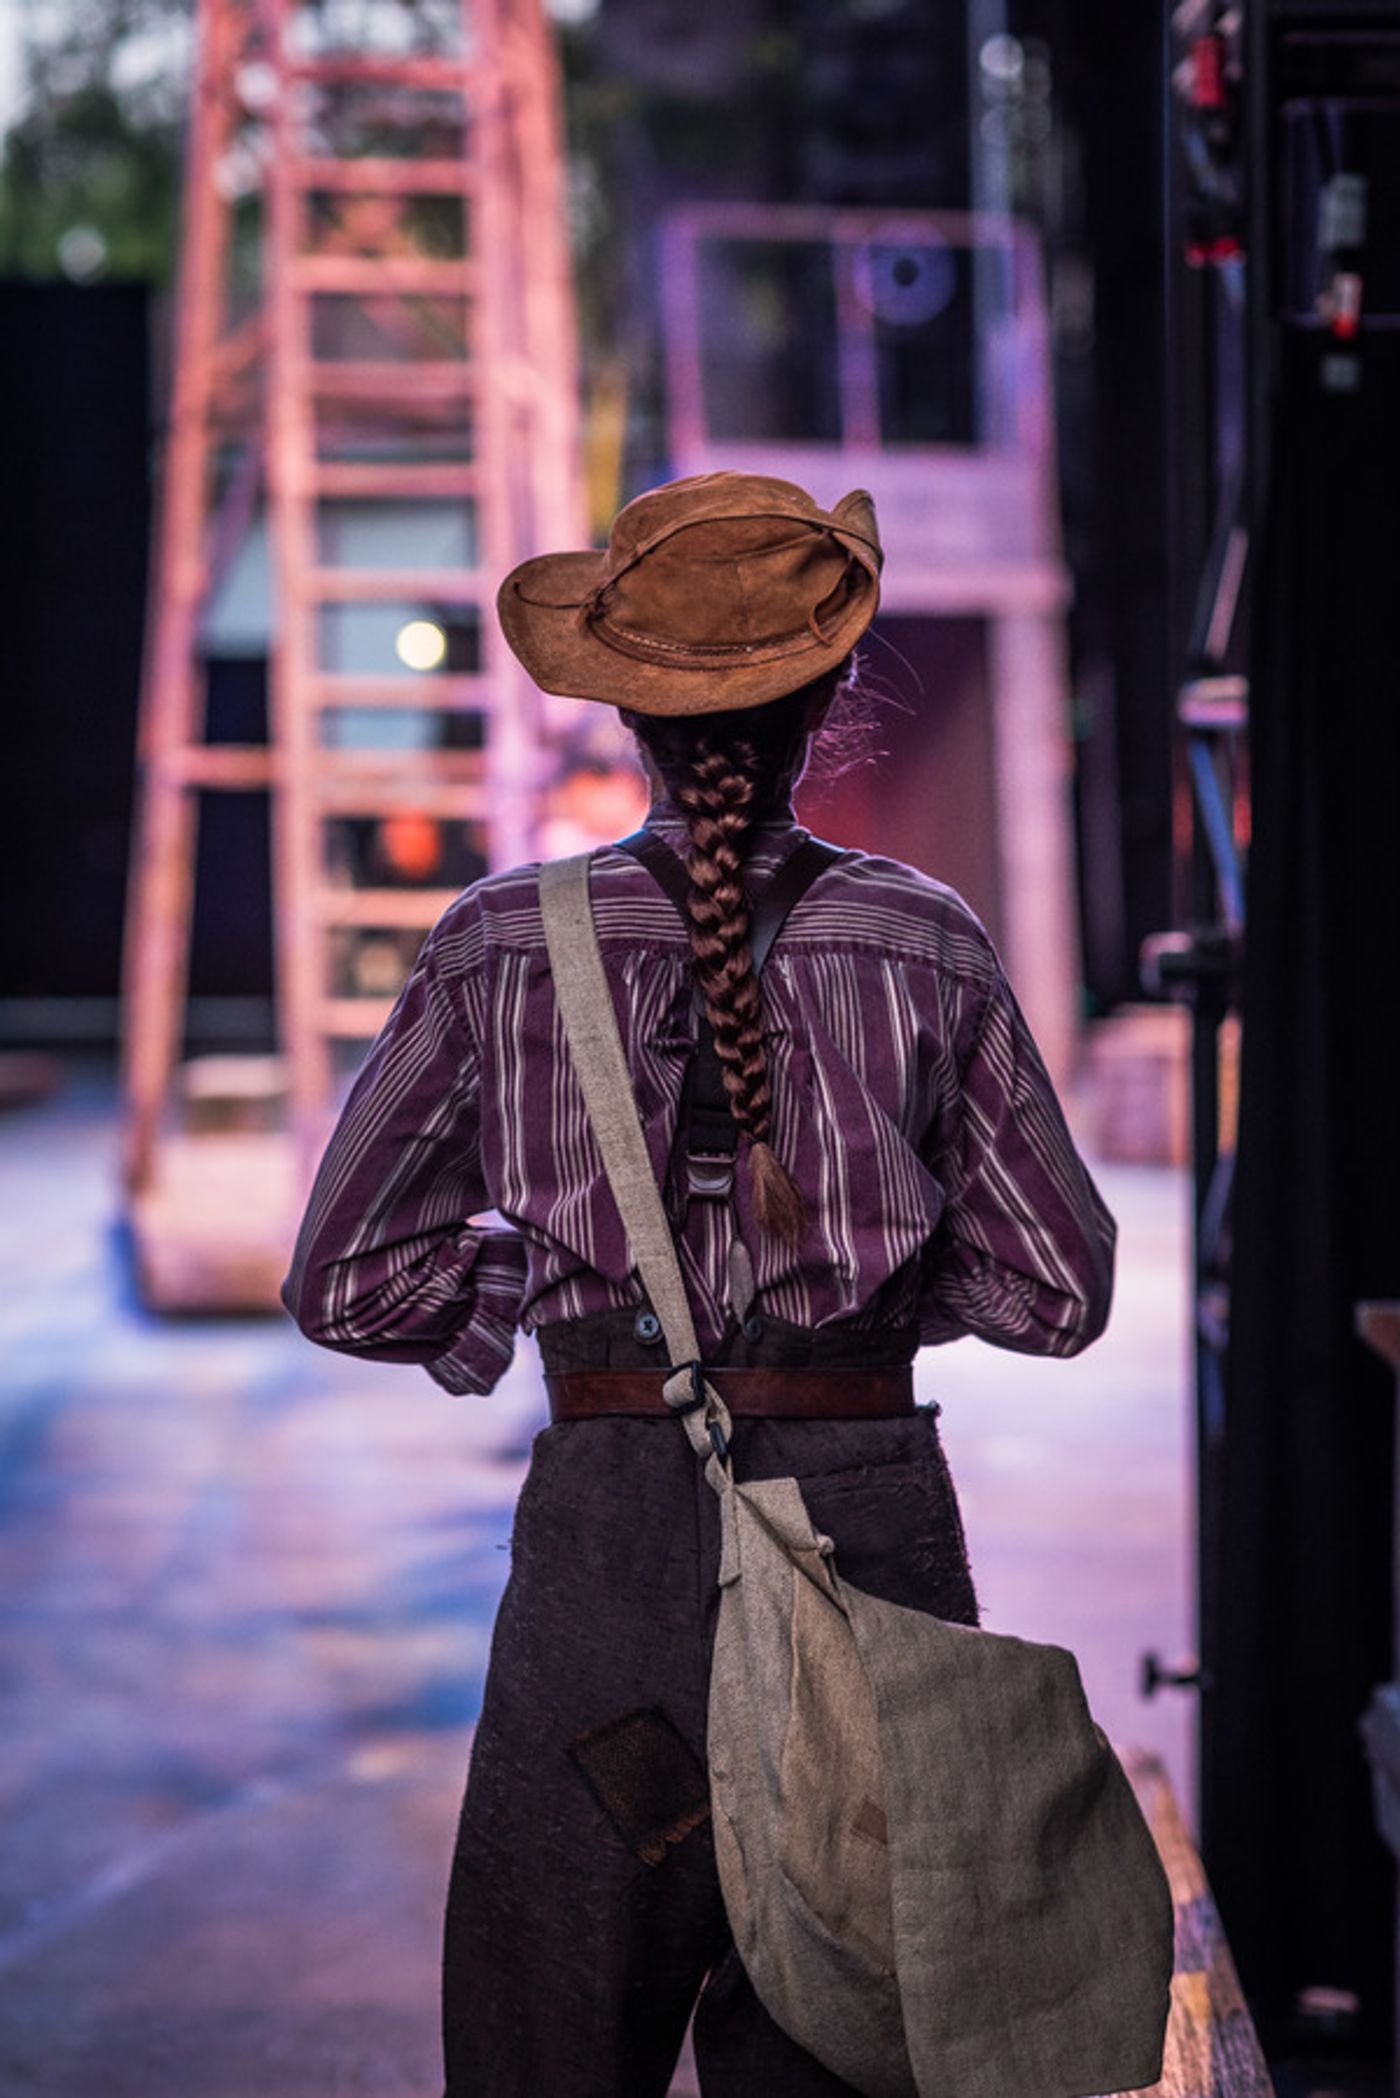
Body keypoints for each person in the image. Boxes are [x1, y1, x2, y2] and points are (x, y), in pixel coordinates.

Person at [280, 470, 1118, 2098]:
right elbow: (1055, 1289)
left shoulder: (493, 942)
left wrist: (535, 1285)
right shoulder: (928, 942)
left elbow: (345, 1277)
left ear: (625, 713)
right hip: (866, 1539)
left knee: (550, 2028)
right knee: (851, 2036)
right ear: (826, 703)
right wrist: (857, 1302)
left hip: (611, 1559)